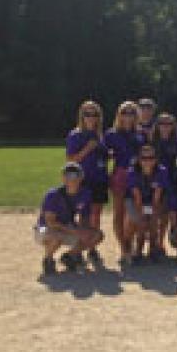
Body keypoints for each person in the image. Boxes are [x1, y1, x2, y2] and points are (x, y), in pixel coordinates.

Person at [34, 163, 105, 274]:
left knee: (97, 235)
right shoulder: (53, 195)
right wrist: (75, 231)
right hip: (43, 228)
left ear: (81, 178)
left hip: (67, 226)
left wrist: (84, 231)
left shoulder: (85, 194)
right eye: (67, 175)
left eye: (75, 175)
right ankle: (48, 260)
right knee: (55, 236)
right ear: (63, 178)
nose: (71, 179)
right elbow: (50, 222)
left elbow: (84, 216)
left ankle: (70, 256)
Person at [65, 101, 108, 266]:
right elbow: (70, 160)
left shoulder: (100, 135)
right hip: (83, 180)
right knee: (83, 216)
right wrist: (87, 149)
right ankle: (79, 248)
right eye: (87, 114)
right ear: (82, 116)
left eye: (95, 114)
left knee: (96, 215)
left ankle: (92, 247)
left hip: (99, 180)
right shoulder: (75, 135)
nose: (91, 118)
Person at [104, 101, 146, 257]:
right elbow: (104, 154)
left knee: (134, 212)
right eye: (124, 112)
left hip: (138, 175)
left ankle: (131, 241)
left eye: (131, 113)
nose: (128, 116)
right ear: (119, 115)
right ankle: (124, 247)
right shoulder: (111, 134)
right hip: (120, 174)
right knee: (119, 213)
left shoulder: (141, 134)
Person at [124, 145, 170, 265]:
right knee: (140, 222)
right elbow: (137, 197)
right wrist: (142, 215)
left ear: (155, 159)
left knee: (154, 222)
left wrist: (153, 214)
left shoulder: (162, 171)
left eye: (151, 157)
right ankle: (137, 250)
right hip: (134, 201)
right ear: (139, 159)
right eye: (144, 158)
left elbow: (157, 196)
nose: (147, 161)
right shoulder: (132, 172)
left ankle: (153, 249)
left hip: (154, 201)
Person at [150, 112, 177, 248]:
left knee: (165, 213)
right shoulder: (151, 142)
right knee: (153, 212)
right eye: (162, 123)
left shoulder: (176, 142)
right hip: (153, 180)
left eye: (169, 124)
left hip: (170, 180)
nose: (165, 126)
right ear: (157, 125)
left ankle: (160, 243)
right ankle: (152, 243)